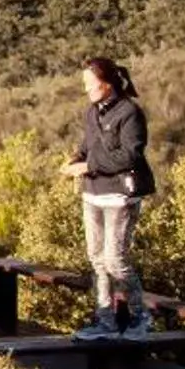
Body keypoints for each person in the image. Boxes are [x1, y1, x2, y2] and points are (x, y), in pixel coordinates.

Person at [62, 56, 157, 339]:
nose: (87, 90)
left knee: (115, 259)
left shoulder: (130, 113)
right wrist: (75, 159)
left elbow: (130, 154)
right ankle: (106, 322)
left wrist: (87, 166)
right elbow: (88, 145)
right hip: (93, 194)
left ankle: (141, 318)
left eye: (90, 84)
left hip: (119, 196)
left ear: (107, 84)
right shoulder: (92, 112)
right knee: (97, 259)